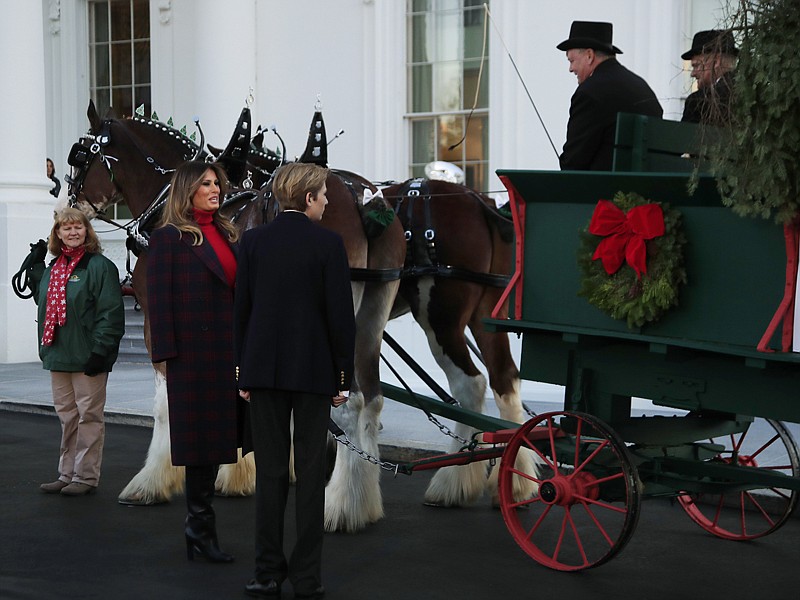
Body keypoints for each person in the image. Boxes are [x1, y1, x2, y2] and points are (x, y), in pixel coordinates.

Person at [235, 162, 355, 599]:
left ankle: (266, 574)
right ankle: (307, 578)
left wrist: (242, 371)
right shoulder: (329, 244)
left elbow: (241, 313)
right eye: (323, 194)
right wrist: (343, 376)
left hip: (263, 373)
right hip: (314, 374)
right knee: (309, 476)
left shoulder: (252, 241)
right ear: (308, 199)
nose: (326, 201)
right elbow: (341, 318)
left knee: (268, 474)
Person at [145, 160, 242, 563]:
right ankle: (199, 530)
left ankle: (201, 531)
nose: (215, 189)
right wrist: (165, 357)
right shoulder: (168, 237)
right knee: (200, 446)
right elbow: (159, 301)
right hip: (192, 357)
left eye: (216, 183)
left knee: (219, 441)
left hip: (229, 353)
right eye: (205, 183)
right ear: (187, 189)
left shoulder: (227, 232)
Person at [36, 207, 125, 496]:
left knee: (89, 417)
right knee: (68, 417)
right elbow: (45, 310)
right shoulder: (53, 268)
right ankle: (66, 473)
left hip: (89, 356)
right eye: (66, 228)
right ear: (57, 233)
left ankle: (85, 477)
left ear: (87, 231)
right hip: (59, 355)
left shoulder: (100, 266)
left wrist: (101, 350)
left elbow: (110, 312)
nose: (73, 232)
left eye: (78, 227)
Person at [557, 20, 663, 171]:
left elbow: (573, 162)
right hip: (647, 190)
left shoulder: (589, 92)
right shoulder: (641, 86)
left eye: (572, 60)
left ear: (589, 55)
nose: (570, 68)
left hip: (604, 190)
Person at [680, 29, 738, 125]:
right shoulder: (755, 92)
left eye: (696, 65)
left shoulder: (699, 101)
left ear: (716, 62)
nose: (692, 74)